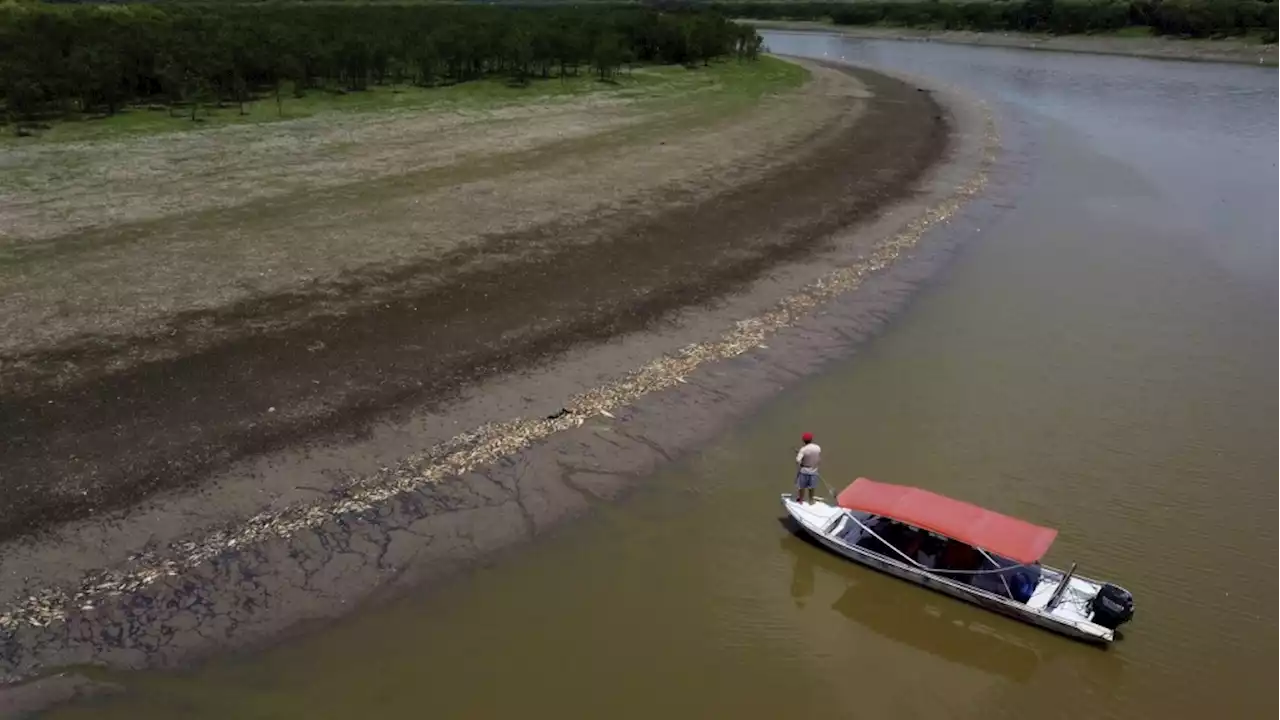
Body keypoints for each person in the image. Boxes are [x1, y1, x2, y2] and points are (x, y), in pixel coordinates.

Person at [794, 432, 821, 504]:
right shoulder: (817, 447)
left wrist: (800, 455)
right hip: (814, 470)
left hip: (804, 471)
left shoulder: (803, 449)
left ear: (803, 440)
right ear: (811, 439)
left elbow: (798, 461)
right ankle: (811, 500)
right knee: (812, 487)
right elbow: (817, 457)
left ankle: (800, 500)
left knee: (802, 487)